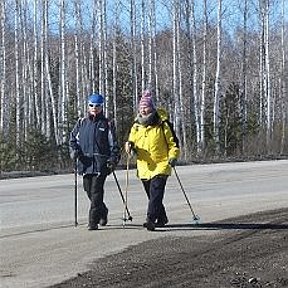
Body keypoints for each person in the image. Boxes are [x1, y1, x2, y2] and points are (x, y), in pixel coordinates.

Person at [125, 89, 180, 231]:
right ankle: (162, 217)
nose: (143, 110)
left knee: (156, 192)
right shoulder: (136, 126)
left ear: (152, 107)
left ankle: (150, 219)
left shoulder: (162, 124)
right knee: (152, 195)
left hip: (161, 164)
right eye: (141, 107)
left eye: (146, 107)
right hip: (144, 166)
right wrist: (130, 147)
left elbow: (173, 144)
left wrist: (173, 156)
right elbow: (131, 142)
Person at [69, 93, 120, 230]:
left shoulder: (107, 124)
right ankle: (103, 211)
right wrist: (75, 152)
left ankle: (93, 220)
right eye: (91, 105)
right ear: (88, 106)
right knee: (88, 190)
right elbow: (73, 140)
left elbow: (114, 145)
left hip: (100, 163)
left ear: (102, 107)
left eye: (97, 106)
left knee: (96, 191)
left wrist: (113, 159)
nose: (94, 108)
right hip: (85, 163)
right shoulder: (82, 123)